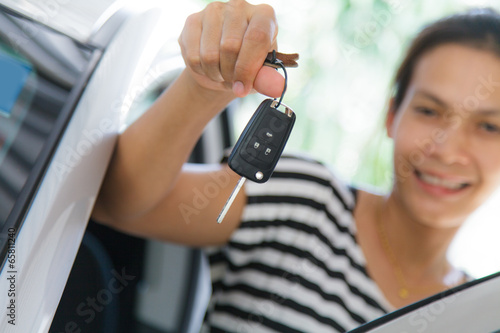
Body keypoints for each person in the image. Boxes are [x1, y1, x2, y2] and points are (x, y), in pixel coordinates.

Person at [92, 1, 500, 332]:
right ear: (392, 115)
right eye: (429, 111)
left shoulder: (481, 318)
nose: (448, 150)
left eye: (488, 126)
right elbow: (117, 201)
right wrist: (204, 86)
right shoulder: (307, 201)